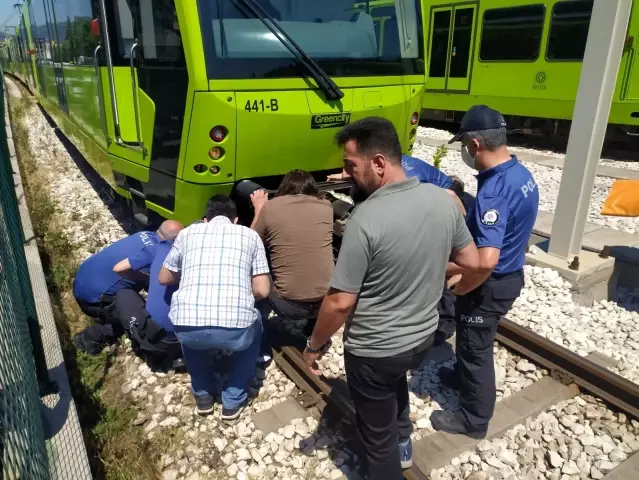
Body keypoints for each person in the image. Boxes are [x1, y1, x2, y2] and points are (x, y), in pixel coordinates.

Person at [303, 117, 481, 479]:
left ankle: (390, 460)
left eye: (351, 165)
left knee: (375, 437)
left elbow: (339, 302)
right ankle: (403, 441)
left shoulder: (365, 220)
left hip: (374, 351)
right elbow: (473, 262)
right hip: (421, 338)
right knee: (394, 382)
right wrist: (436, 268)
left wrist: (315, 345)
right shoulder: (443, 200)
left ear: (379, 163)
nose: (344, 172)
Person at [430, 105, 539, 440]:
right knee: (468, 341)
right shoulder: (520, 174)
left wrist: (465, 284)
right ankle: (462, 376)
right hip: (510, 274)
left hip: (492, 283)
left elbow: (487, 259)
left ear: (475, 145)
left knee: (477, 349)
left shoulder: (494, 190)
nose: (465, 151)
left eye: (464, 144)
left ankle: (474, 420)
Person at [158, 195, 271, 420]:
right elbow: (262, 291)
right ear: (236, 220)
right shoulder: (250, 236)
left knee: (190, 330)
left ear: (205, 219)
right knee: (256, 322)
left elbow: (163, 278)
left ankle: (203, 397)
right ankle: (232, 402)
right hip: (236, 331)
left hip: (189, 329)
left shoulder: (186, 233)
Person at [249, 170, 334, 358]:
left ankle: (257, 338)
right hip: (325, 302)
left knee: (260, 267)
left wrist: (259, 208)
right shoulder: (326, 206)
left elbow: (250, 243)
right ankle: (313, 330)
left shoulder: (271, 207)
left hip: (287, 306)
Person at [72, 221, 183, 354]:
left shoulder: (144, 234)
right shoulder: (157, 253)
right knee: (136, 316)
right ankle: (87, 339)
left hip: (80, 283)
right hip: (93, 301)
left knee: (131, 294)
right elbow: (159, 290)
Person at [108, 221, 185, 367]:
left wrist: (147, 279)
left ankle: (141, 344)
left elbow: (118, 268)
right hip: (191, 339)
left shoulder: (155, 249)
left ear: (159, 235)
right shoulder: (195, 256)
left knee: (124, 295)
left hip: (159, 340)